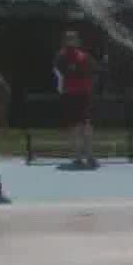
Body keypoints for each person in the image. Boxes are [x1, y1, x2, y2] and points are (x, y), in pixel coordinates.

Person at [53, 30, 97, 170]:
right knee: (76, 126)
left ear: (77, 41)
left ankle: (88, 156)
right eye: (69, 39)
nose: (71, 41)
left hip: (83, 94)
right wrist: (61, 88)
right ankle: (79, 157)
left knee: (85, 125)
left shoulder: (83, 57)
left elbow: (92, 73)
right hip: (71, 94)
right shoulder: (61, 57)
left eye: (73, 38)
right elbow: (59, 73)